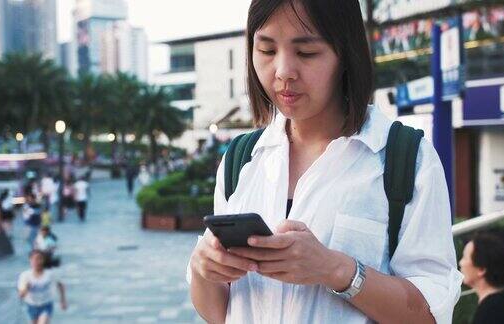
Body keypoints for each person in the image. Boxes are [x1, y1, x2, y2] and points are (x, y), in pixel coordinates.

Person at [188, 1, 462, 323]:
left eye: (306, 53)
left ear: (345, 54)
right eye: (265, 50)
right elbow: (220, 313)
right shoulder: (241, 158)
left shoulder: (405, 158)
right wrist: (204, 269)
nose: (283, 71)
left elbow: (430, 315)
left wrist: (336, 269)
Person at [18, 250, 67, 324]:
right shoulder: (25, 276)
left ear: (43, 260)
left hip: (46, 305)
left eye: (39, 258)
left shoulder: (50, 274)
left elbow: (60, 285)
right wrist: (27, 288)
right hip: (31, 306)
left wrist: (63, 300)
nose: (37, 261)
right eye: (34, 259)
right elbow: (21, 295)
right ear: (30, 260)